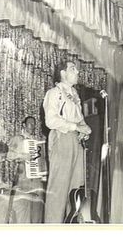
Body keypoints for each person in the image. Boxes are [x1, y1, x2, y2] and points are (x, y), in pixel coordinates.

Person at [43, 60, 92, 223]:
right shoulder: (54, 93)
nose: (77, 72)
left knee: (75, 190)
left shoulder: (75, 95)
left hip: (76, 142)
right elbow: (51, 120)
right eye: (73, 69)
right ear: (63, 73)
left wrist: (85, 130)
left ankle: (71, 226)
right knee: (58, 189)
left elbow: (80, 120)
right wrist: (75, 127)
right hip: (62, 137)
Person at [7, 116, 46, 223]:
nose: (33, 126)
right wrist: (22, 155)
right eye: (30, 123)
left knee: (37, 213)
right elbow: (7, 155)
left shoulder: (38, 142)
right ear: (24, 125)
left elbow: (43, 161)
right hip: (23, 179)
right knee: (23, 214)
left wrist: (44, 171)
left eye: (34, 124)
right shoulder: (17, 139)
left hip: (37, 181)